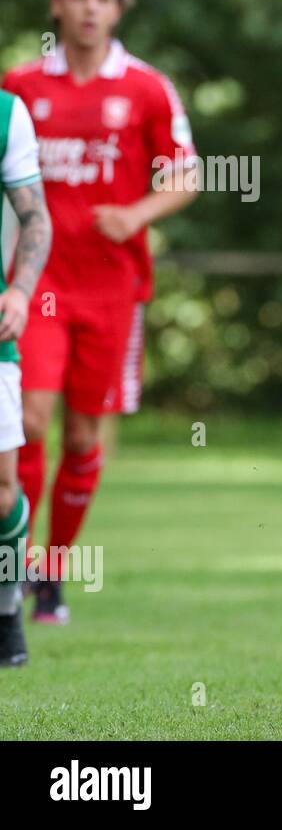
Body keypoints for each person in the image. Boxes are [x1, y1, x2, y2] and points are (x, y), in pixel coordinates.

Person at [3, 0, 198, 624]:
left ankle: (53, 573)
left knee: (83, 439)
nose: (90, 8)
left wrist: (136, 213)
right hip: (36, 286)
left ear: (119, 9)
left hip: (113, 291)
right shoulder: (22, 87)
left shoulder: (145, 87)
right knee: (26, 422)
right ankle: (18, 564)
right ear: (57, 4)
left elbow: (187, 173)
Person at [0, 90, 53, 666]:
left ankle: (6, 606)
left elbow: (35, 214)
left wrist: (19, 290)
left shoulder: (8, 113)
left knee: (1, 491)